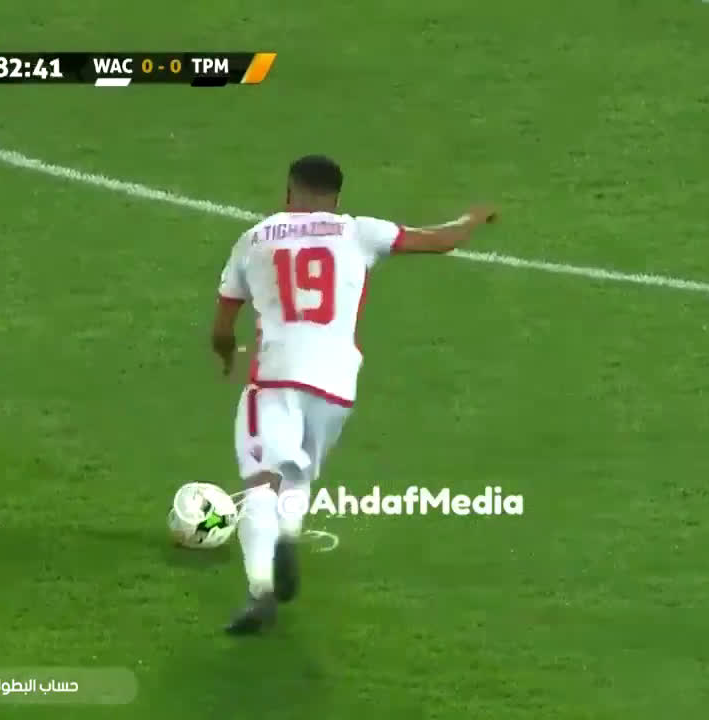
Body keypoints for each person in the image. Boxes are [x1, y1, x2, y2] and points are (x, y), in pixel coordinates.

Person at [210, 154, 495, 634]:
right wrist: (472, 219)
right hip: (337, 383)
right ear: (337, 198)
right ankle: (289, 532)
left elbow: (222, 327)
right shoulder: (359, 231)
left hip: (275, 375)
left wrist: (225, 358)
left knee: (261, 481)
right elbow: (439, 240)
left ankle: (260, 590)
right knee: (298, 471)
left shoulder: (254, 239)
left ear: (288, 192)